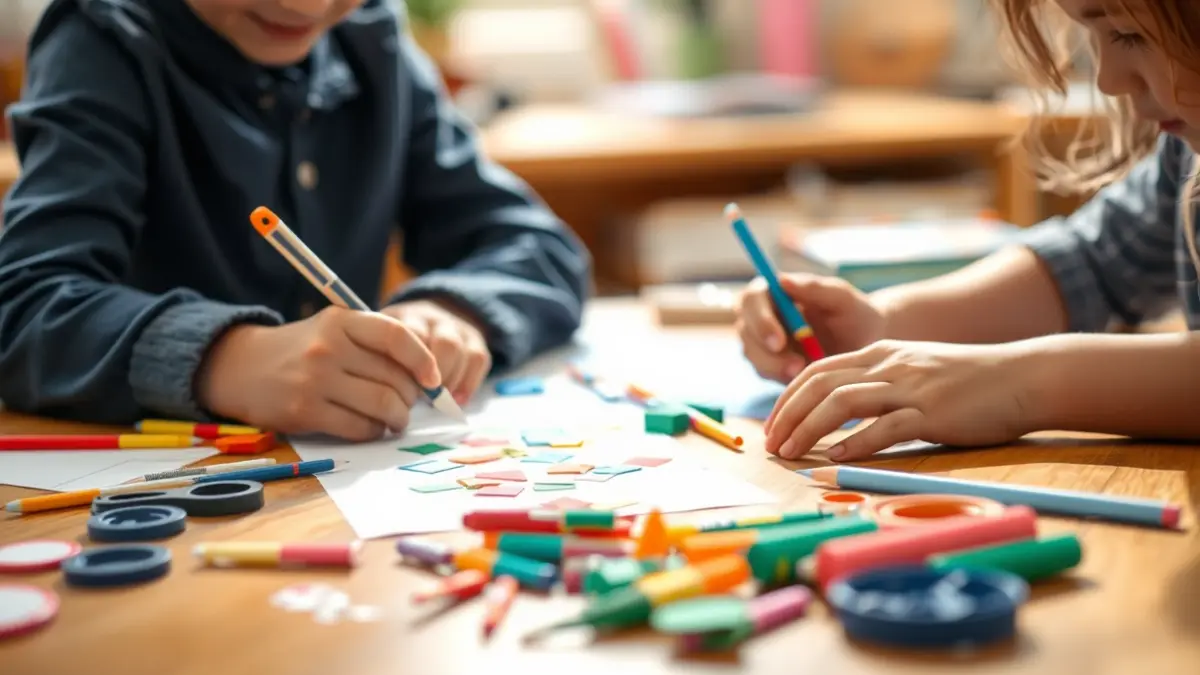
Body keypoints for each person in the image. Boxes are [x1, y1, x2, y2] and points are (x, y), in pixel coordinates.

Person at [0, 0, 590, 441]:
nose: (303, 6)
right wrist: (226, 361)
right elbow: (22, 307)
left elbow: (536, 244)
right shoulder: (104, 38)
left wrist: (451, 312)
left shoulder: (370, 39)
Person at [736, 0, 1200, 462]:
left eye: (1127, 35)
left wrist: (1019, 386)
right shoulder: (1187, 151)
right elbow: (1093, 266)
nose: (1108, 80)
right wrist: (881, 324)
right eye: (1091, 35)